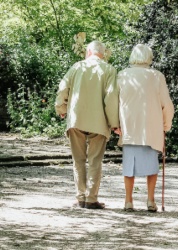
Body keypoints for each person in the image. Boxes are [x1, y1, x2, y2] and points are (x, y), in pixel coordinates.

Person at [55, 41, 119, 209]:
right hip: (99, 122)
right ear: (103, 54)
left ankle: (80, 197)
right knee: (95, 161)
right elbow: (111, 98)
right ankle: (91, 199)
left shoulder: (76, 67)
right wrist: (114, 123)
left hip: (76, 120)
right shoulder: (109, 70)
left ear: (89, 51)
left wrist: (61, 108)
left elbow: (62, 89)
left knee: (78, 160)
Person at [116, 44, 174, 212]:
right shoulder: (156, 76)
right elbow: (167, 104)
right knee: (152, 166)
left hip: (129, 127)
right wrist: (166, 124)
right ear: (149, 57)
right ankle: (150, 200)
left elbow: (115, 102)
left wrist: (115, 124)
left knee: (129, 166)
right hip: (151, 127)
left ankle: (128, 201)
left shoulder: (123, 75)